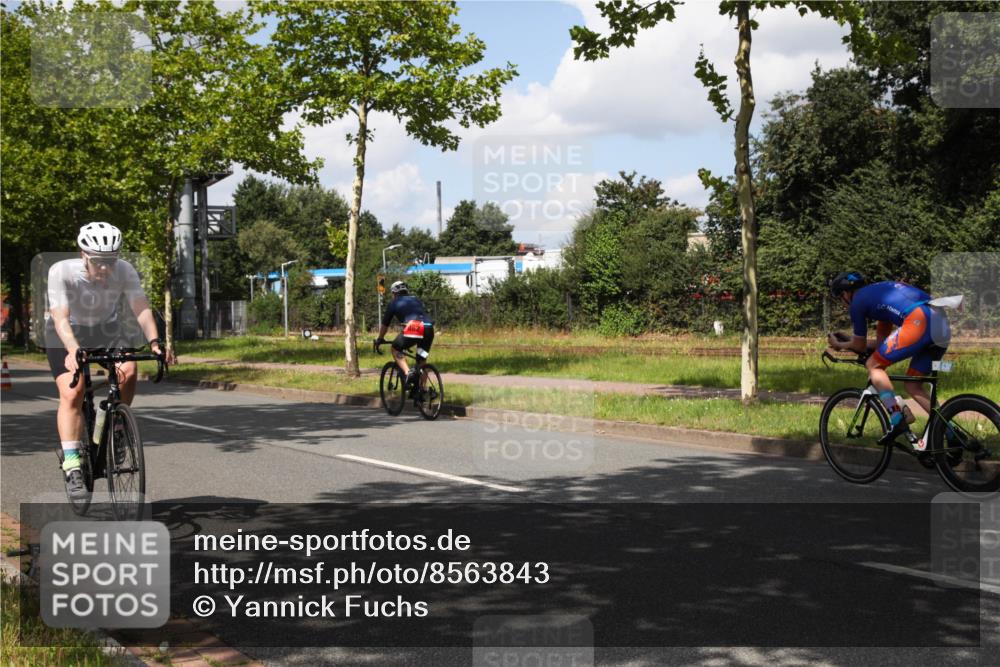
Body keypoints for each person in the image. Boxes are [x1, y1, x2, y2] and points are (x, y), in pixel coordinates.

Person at [45, 222, 166, 499]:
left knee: (130, 368)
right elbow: (60, 318)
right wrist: (74, 350)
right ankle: (73, 465)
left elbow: (141, 307)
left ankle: (117, 427)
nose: (105, 269)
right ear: (83, 255)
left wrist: (155, 342)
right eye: (99, 262)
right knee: (73, 391)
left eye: (110, 261)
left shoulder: (124, 270)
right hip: (65, 331)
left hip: (105, 328)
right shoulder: (61, 271)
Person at [826, 271, 951, 444]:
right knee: (913, 384)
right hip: (940, 322)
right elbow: (881, 345)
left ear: (847, 293)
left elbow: (860, 347)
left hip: (919, 321)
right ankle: (952, 434)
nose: (843, 302)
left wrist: (839, 345)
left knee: (874, 366)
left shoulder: (857, 302)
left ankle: (897, 417)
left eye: (841, 297)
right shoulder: (879, 296)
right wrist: (851, 341)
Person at [374, 281, 434, 393]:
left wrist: (380, 338)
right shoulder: (416, 299)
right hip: (429, 329)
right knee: (422, 359)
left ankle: (407, 372)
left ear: (394, 293)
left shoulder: (394, 302)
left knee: (395, 348)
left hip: (415, 328)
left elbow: (385, 324)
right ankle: (422, 390)